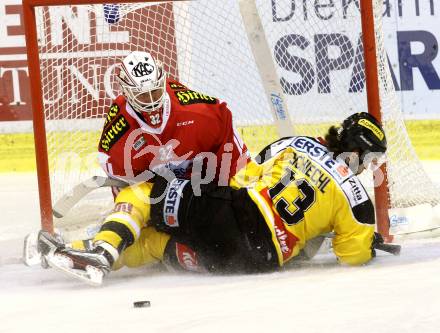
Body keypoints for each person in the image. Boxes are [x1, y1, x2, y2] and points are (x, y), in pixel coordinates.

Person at [38, 112, 389, 284]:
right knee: (156, 246)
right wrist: (367, 243)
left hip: (235, 217)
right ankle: (78, 253)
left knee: (143, 192)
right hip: (256, 261)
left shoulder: (294, 144)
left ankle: (99, 251)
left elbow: (246, 176)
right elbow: (351, 255)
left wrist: (198, 194)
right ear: (360, 153)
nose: (368, 167)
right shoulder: (357, 198)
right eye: (371, 160)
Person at [97, 50, 249, 193]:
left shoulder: (199, 113)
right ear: (125, 92)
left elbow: (236, 162)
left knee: (242, 188)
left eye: (155, 91)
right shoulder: (117, 132)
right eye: (142, 94)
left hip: (205, 184)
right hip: (155, 192)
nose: (151, 100)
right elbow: (125, 189)